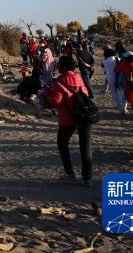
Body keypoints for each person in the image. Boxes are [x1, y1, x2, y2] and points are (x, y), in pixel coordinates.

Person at [43, 56, 93, 187]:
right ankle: (87, 178)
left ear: (63, 67)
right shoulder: (78, 77)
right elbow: (85, 93)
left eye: (59, 65)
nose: (58, 67)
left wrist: (47, 91)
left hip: (68, 118)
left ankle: (69, 174)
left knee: (62, 144)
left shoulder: (59, 81)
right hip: (84, 116)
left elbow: (55, 101)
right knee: (85, 146)